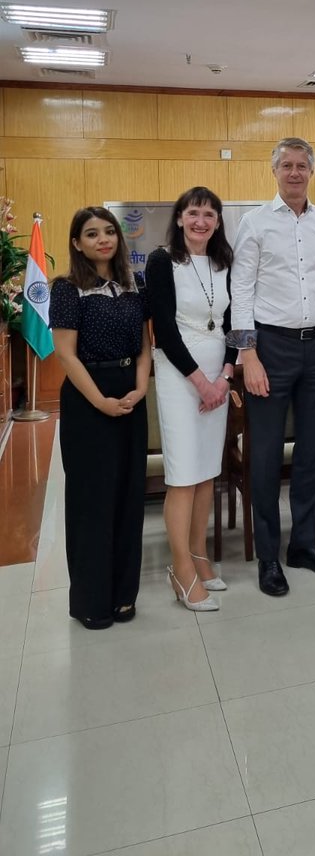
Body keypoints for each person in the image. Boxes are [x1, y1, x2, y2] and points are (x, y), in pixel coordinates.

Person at [228, 138, 315, 596]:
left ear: (312, 171)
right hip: (270, 349)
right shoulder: (254, 223)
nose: (295, 172)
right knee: (262, 457)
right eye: (287, 165)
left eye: (302, 165)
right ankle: (268, 556)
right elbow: (240, 289)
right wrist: (249, 356)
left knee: (312, 454)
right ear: (274, 171)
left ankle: (304, 544)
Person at [50, 207, 151, 629]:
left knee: (129, 497)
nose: (103, 239)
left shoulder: (133, 283)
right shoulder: (68, 288)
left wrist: (142, 387)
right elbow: (65, 355)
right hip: (89, 399)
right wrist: (101, 402)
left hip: (132, 392)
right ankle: (92, 602)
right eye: (91, 234)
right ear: (77, 242)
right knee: (93, 502)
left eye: (109, 231)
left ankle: (125, 595)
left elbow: (147, 345)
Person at [146, 188, 236, 613]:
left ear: (217, 222)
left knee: (206, 473)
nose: (201, 221)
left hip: (218, 373)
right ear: (180, 218)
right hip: (180, 375)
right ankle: (180, 568)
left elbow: (235, 323)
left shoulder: (224, 260)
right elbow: (163, 328)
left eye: (209, 215)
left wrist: (226, 376)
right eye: (193, 213)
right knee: (182, 474)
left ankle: (199, 555)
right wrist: (203, 383)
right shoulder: (163, 260)